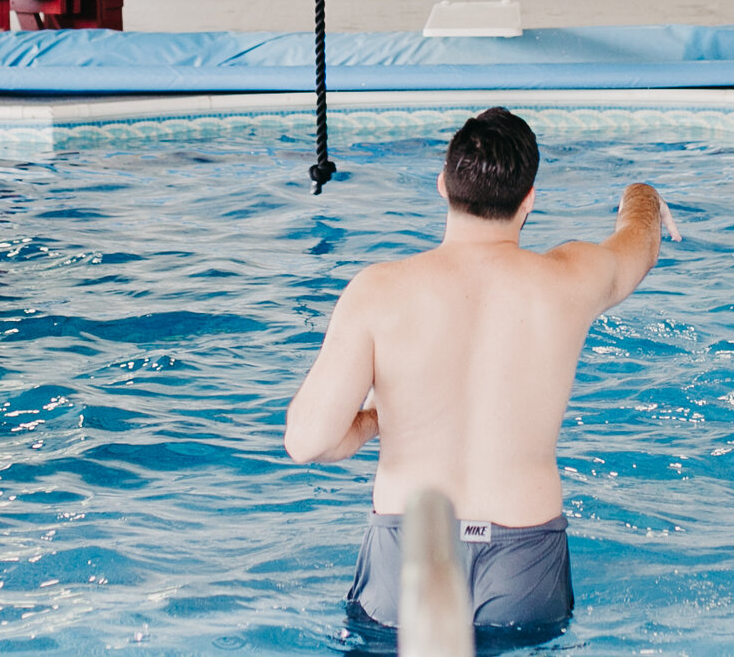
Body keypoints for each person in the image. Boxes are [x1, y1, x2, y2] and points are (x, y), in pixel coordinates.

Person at [284, 108, 670, 637]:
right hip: (524, 558)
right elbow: (641, 244)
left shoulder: (378, 291)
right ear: (529, 199)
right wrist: (642, 195)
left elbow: (309, 443)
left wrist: (378, 418)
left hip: (412, 547)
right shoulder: (572, 279)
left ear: (443, 185)